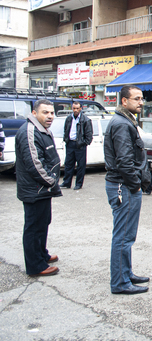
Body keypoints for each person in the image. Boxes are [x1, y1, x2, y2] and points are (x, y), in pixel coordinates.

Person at [104, 85, 150, 295]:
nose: (141, 102)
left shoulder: (126, 120)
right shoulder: (122, 124)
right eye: (136, 99)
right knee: (123, 236)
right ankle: (120, 282)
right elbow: (124, 161)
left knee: (126, 235)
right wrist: (135, 184)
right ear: (124, 101)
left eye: (142, 98)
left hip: (124, 185)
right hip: (124, 186)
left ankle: (126, 273)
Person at [15, 99, 62, 276]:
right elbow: (35, 164)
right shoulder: (29, 131)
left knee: (43, 223)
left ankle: (41, 255)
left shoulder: (41, 130)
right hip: (35, 189)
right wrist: (51, 181)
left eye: (51, 112)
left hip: (43, 189)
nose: (50, 116)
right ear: (34, 113)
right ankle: (36, 266)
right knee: (34, 227)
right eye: (45, 112)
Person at [59, 102, 93, 190]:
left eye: (77, 108)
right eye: (74, 108)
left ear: (81, 108)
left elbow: (89, 134)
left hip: (80, 145)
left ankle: (78, 184)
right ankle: (66, 182)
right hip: (70, 143)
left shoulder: (85, 120)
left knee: (81, 166)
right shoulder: (69, 118)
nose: (75, 110)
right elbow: (66, 129)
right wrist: (66, 139)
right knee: (68, 164)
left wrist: (84, 142)